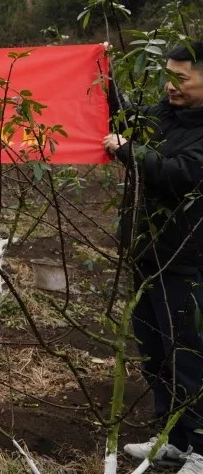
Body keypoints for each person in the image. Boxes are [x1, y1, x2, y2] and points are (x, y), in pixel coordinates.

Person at [106, 42, 203, 472]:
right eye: (168, 75)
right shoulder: (167, 112)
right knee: (156, 353)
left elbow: (182, 173)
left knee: (189, 355)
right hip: (149, 254)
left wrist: (131, 151)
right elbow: (128, 117)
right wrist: (101, 71)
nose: (170, 85)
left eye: (181, 78)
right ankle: (172, 439)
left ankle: (201, 450)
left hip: (187, 260)